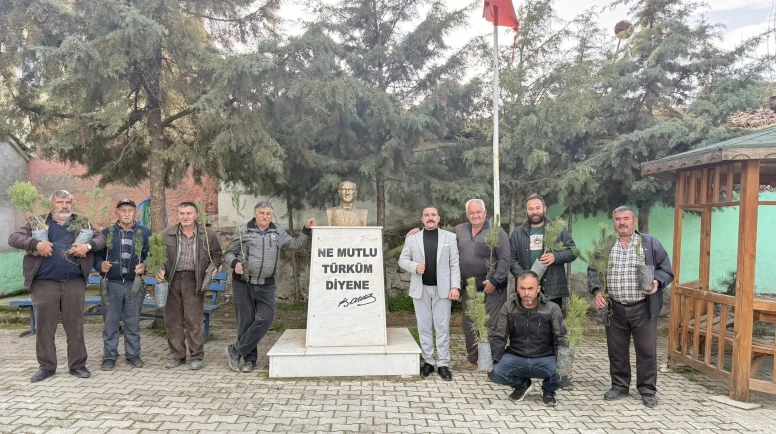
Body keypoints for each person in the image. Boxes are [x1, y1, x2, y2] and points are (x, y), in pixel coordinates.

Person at [8, 189, 106, 382]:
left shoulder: (81, 222)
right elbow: (14, 238)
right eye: (60, 202)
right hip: (44, 283)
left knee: (75, 326)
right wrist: (36, 244)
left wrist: (87, 246)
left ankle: (77, 365)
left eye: (68, 202)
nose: (64, 206)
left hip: (74, 282)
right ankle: (46, 367)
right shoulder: (37, 221)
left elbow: (101, 238)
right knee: (44, 327)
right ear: (52, 204)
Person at [408, 199, 510, 371]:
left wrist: (495, 281)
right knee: (469, 324)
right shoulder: (459, 230)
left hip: (492, 287)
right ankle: (473, 360)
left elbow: (506, 259)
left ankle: (493, 361)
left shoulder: (497, 232)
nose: (475, 215)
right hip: (469, 286)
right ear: (467, 214)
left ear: (485, 213)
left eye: (478, 212)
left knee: (492, 325)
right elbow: (437, 233)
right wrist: (420, 229)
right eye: (472, 212)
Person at [588, 206, 674, 408]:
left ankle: (647, 390)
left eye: (626, 218)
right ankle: (619, 385)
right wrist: (598, 292)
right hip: (614, 307)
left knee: (647, 351)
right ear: (614, 222)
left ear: (635, 221)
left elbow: (666, 270)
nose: (622, 222)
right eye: (618, 219)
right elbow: (593, 270)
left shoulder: (649, 244)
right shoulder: (606, 245)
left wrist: (657, 281)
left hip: (643, 307)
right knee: (616, 350)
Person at [224, 201, 316, 373]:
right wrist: (235, 263)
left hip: (266, 284)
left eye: (268, 214)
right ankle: (250, 360)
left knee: (266, 318)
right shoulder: (243, 230)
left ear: (271, 215)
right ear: (255, 214)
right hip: (243, 283)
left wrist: (306, 229)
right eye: (262, 213)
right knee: (245, 322)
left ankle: (235, 350)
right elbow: (229, 253)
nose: (265, 217)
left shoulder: (278, 231)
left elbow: (296, 245)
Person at [155, 201, 223, 370]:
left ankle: (196, 356)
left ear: (195, 215)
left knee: (193, 320)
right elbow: (157, 256)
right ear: (178, 215)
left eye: (188, 213)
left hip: (194, 279)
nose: (185, 217)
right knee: (173, 320)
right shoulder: (167, 234)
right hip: (172, 279)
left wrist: (213, 267)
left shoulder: (207, 235)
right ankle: (177, 355)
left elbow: (217, 255)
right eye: (182, 213)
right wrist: (159, 268)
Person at [398, 205, 461, 381]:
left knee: (442, 328)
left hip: (443, 290)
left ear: (438, 218)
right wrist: (414, 267)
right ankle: (428, 361)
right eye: (427, 215)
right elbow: (402, 260)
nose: (430, 217)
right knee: (424, 327)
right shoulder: (413, 239)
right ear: (422, 219)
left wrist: (455, 287)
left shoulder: (450, 237)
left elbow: (454, 264)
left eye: (433, 214)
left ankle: (443, 363)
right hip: (420, 290)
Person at [489, 270, 567, 406]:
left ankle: (548, 389)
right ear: (517, 289)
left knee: (565, 374)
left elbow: (560, 338)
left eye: (530, 288)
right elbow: (500, 336)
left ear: (538, 289)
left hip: (544, 357)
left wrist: (565, 362)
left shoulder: (552, 308)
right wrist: (492, 358)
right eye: (522, 288)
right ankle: (523, 385)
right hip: (516, 356)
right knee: (494, 372)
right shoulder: (508, 307)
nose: (526, 293)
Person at [93, 199, 151, 370]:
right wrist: (100, 265)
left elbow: (151, 255)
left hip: (134, 284)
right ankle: (110, 356)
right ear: (116, 213)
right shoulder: (107, 233)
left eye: (130, 210)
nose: (126, 214)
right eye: (123, 210)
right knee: (110, 323)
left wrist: (145, 266)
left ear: (135, 213)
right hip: (112, 283)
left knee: (133, 322)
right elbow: (96, 255)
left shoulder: (144, 233)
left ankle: (133, 355)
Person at [509, 193, 576, 311]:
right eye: (531, 209)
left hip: (552, 290)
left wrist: (556, 256)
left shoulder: (558, 229)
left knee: (552, 320)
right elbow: (511, 259)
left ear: (544, 209)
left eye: (538, 208)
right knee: (526, 321)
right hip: (526, 290)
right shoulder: (517, 233)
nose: (535, 212)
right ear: (526, 211)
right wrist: (523, 276)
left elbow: (573, 251)